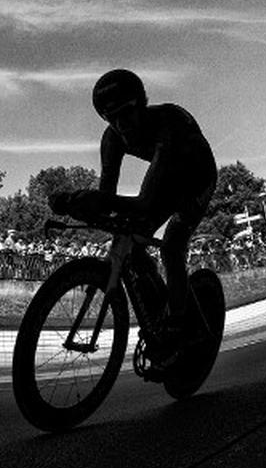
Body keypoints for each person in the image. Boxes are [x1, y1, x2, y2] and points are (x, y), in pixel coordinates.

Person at [50, 68, 217, 364]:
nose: (121, 124)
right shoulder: (112, 138)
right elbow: (107, 198)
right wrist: (77, 203)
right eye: (110, 118)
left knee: (171, 246)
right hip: (167, 184)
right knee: (131, 239)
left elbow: (143, 201)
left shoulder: (169, 121)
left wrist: (96, 200)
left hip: (197, 180)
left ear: (142, 104)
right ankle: (158, 316)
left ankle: (178, 323)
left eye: (126, 114)